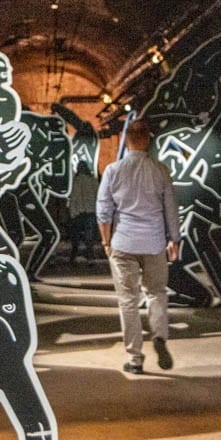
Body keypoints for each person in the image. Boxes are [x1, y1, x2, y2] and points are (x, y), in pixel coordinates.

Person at [96, 119, 181, 374]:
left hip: (123, 242)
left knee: (128, 302)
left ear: (127, 141)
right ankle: (159, 336)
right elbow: (171, 209)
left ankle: (135, 358)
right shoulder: (160, 170)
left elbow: (103, 211)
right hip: (154, 243)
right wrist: (174, 239)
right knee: (156, 293)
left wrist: (106, 241)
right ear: (147, 140)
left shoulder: (113, 170)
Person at [68, 161, 99, 263]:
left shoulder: (75, 181)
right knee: (89, 237)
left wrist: (72, 213)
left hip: (78, 213)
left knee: (76, 237)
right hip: (91, 211)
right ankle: (90, 257)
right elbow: (98, 196)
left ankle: (73, 257)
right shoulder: (93, 180)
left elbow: (73, 198)